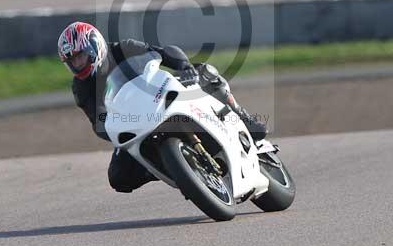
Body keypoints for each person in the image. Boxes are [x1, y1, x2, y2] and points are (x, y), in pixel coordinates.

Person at [58, 21, 269, 193]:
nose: (77, 64)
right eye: (72, 61)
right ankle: (171, 167)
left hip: (161, 92)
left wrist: (185, 67)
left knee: (206, 72)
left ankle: (242, 116)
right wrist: (114, 126)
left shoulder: (123, 49)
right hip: (134, 119)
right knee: (118, 177)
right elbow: (98, 122)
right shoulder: (81, 88)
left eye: (80, 56)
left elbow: (163, 53)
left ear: (95, 46)